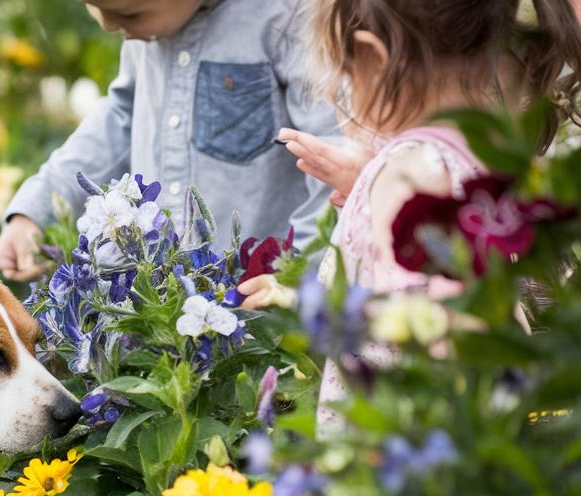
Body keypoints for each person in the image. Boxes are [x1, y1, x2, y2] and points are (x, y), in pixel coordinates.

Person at [237, 0, 581, 427]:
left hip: (409, 462)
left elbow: (452, 332)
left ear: (370, 59)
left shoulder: (409, 176)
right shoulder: (468, 165)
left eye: (340, 80)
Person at [0, 0, 342, 281]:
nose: (109, 25)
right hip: (166, 298)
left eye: (128, 12)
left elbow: (333, 161)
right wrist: (37, 209)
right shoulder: (147, 30)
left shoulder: (287, 16)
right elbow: (119, 118)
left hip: (258, 306)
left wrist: (295, 279)